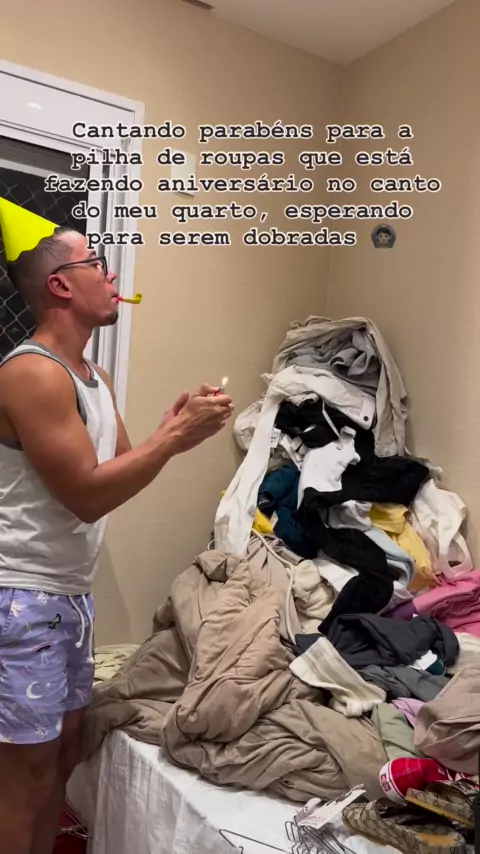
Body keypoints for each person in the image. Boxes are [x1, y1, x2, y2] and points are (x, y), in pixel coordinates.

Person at [0, 198, 233, 854]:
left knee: (63, 758)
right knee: (24, 778)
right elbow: (85, 496)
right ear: (60, 286)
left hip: (69, 598)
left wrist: (173, 431)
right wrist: (173, 439)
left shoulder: (93, 378)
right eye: (96, 263)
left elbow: (116, 472)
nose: (110, 274)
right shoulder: (30, 373)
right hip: (20, 598)